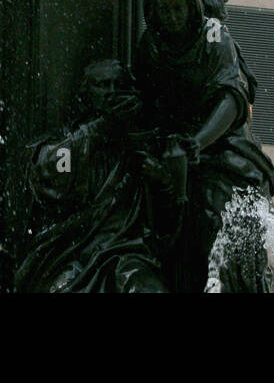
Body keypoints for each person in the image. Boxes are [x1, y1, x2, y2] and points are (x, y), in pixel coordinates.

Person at [134, 0, 274, 292]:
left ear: (193, 8)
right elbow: (146, 100)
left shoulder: (214, 35)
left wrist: (197, 143)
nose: (171, 17)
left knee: (211, 219)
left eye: (178, 9)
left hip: (222, 149)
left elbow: (232, 98)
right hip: (172, 149)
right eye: (164, 10)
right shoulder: (150, 47)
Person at [15, 59, 167, 293]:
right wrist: (101, 128)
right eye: (103, 85)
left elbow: (167, 214)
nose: (112, 92)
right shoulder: (67, 139)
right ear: (86, 94)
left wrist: (163, 179)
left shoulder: (141, 142)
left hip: (128, 253)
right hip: (74, 251)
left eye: (119, 85)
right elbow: (49, 171)